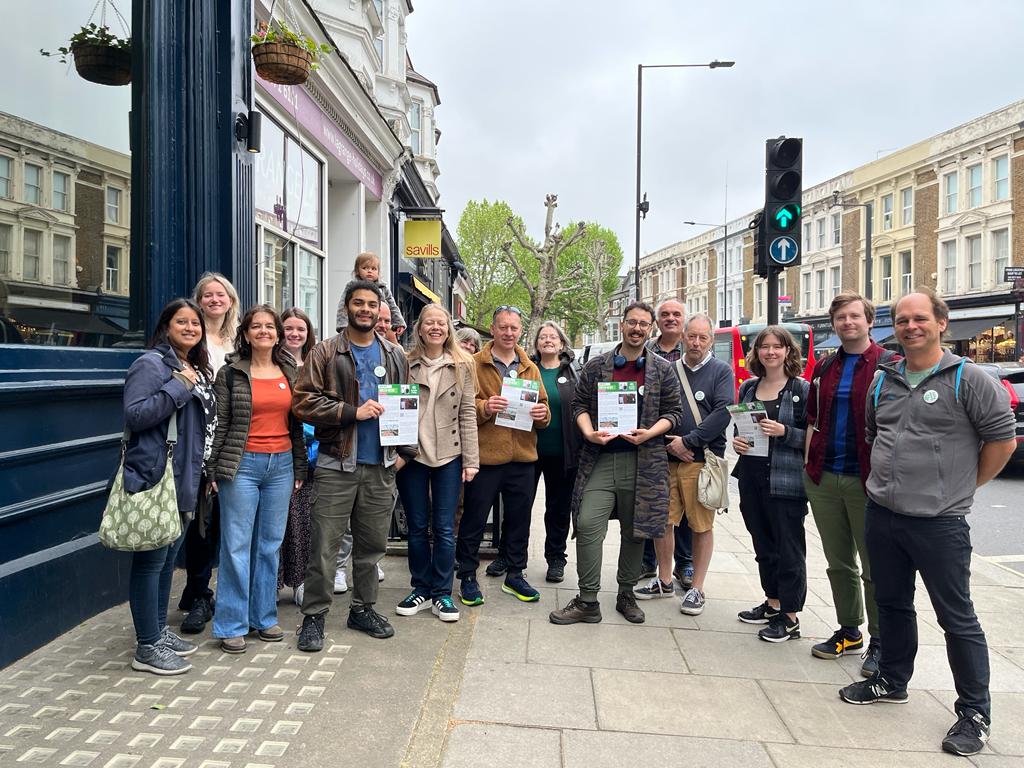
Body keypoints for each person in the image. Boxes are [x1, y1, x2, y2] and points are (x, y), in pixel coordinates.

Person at [838, 288, 1015, 758]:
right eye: (901, 320)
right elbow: (876, 436)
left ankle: (974, 713)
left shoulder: (969, 379)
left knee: (957, 619)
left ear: (941, 323)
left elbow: (1002, 442)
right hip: (884, 515)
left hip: (939, 523)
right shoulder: (884, 379)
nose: (910, 326)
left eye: (920, 318)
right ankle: (892, 680)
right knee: (892, 603)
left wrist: (961, 488)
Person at [293, 280, 417, 648]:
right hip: (337, 464)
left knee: (371, 546)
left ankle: (362, 609)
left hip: (380, 466)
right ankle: (314, 617)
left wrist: (404, 456)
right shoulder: (326, 353)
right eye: (358, 303)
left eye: (371, 304)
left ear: (381, 311)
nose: (365, 309)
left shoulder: (394, 355)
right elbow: (302, 402)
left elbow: (407, 407)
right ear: (346, 308)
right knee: (324, 546)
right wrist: (351, 412)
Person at [549, 302, 681, 626]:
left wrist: (651, 432)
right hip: (600, 459)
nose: (637, 329)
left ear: (651, 329)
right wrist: (588, 433)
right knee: (587, 522)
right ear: (621, 325)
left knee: (635, 532)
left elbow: (674, 412)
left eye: (644, 324)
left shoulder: (662, 369)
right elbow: (578, 404)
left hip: (644, 461)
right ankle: (587, 599)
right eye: (632, 322)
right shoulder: (597, 366)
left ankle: (626, 594)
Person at [804, 293, 898, 675]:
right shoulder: (825, 367)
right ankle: (849, 630)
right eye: (841, 317)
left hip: (867, 480)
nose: (848, 322)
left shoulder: (889, 365)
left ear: (869, 321)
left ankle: (880, 640)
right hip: (825, 476)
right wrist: (809, 465)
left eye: (855, 316)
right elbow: (813, 418)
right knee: (838, 562)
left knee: (874, 565)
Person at [122, 299, 216, 674]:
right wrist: (178, 387)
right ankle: (146, 647)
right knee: (149, 563)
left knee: (165, 562)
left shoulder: (193, 366)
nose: (191, 328)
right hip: (157, 476)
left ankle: (158, 631)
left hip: (186, 477)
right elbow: (136, 414)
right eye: (183, 321)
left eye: (196, 323)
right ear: (167, 325)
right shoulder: (151, 364)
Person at [207, 306, 307, 654]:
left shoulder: (290, 370)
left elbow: (296, 427)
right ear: (246, 334)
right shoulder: (231, 373)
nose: (264, 331)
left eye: (270, 326)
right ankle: (231, 624)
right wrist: (213, 469)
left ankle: (263, 617)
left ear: (278, 334)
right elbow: (220, 424)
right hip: (241, 465)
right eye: (256, 326)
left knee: (269, 544)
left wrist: (298, 468)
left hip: (281, 466)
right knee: (236, 546)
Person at [636, 313, 732, 615]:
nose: (696, 342)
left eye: (703, 337)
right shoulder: (669, 369)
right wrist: (670, 444)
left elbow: (723, 412)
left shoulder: (721, 371)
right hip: (668, 458)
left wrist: (688, 442)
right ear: (683, 336)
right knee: (664, 521)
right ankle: (664, 580)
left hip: (701, 461)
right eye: (692, 336)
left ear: (711, 340)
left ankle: (697, 588)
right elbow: (654, 410)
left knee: (701, 525)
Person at [456, 306, 550, 606]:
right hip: (485, 458)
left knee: (519, 520)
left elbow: (545, 411)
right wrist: (486, 407)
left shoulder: (530, 367)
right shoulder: (473, 364)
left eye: (513, 328)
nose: (508, 333)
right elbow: (463, 405)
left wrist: (541, 413)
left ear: (520, 331)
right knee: (473, 519)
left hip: (522, 458)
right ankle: (468, 576)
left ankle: (515, 574)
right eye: (503, 327)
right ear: (492, 329)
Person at [395, 304, 479, 622]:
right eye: (429, 322)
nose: (435, 328)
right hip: (412, 455)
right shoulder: (404, 361)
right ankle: (421, 587)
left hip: (449, 455)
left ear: (448, 329)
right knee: (416, 528)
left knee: (444, 528)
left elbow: (468, 413)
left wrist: (472, 460)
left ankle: (442, 593)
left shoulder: (462, 364)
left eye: (441, 323)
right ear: (419, 328)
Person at [732, 326, 810, 643]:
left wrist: (786, 432)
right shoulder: (748, 388)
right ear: (757, 352)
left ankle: (790, 618)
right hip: (751, 479)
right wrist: (738, 442)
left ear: (788, 351)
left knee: (789, 550)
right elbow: (743, 429)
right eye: (765, 347)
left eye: (778, 346)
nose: (771, 352)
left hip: (786, 482)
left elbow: (815, 440)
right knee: (763, 546)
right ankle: (773, 602)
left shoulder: (801, 390)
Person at [178, 272, 241, 634]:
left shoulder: (236, 341)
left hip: (231, 438)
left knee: (218, 522)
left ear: (230, 301)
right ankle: (199, 593)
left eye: (221, 294)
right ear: (198, 300)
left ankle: (198, 590)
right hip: (196, 439)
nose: (215, 300)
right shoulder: (190, 337)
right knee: (199, 521)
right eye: (207, 295)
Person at [642, 299, 694, 588]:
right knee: (653, 506)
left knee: (684, 509)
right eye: (665, 315)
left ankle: (685, 564)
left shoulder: (693, 348)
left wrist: (690, 440)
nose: (670, 319)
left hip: (685, 444)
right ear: (657, 321)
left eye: (676, 314)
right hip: (651, 441)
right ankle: (649, 561)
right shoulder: (646, 350)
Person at [530, 321, 582, 583]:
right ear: (537, 343)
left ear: (562, 344)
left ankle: (556, 558)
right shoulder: (526, 370)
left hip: (563, 453)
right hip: (527, 451)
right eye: (543, 337)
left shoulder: (574, 373)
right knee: (520, 506)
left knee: (558, 508)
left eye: (553, 337)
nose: (548, 340)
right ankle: (510, 555)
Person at [278, 308, 318, 604]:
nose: (294, 334)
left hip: (313, 452)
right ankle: (275, 581)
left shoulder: (317, 362)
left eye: (300, 329)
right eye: (288, 328)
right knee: (276, 522)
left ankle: (301, 579)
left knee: (304, 520)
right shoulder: (272, 362)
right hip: (281, 449)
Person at [335, 252, 406, 336]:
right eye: (365, 268)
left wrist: (399, 322)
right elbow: (343, 306)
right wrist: (343, 326)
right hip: (359, 327)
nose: (369, 271)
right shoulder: (352, 286)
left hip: (380, 329)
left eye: (373, 269)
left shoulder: (383, 288)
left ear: (378, 272)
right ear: (357, 271)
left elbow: (393, 306)